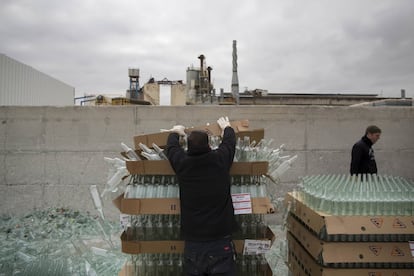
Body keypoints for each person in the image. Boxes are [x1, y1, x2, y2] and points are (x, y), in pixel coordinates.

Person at [165, 117, 238, 276]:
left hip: (194, 241)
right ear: (209, 145)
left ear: (188, 147)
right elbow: (230, 143)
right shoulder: (220, 160)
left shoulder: (183, 163)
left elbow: (171, 148)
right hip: (220, 240)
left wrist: (175, 132)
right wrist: (227, 128)